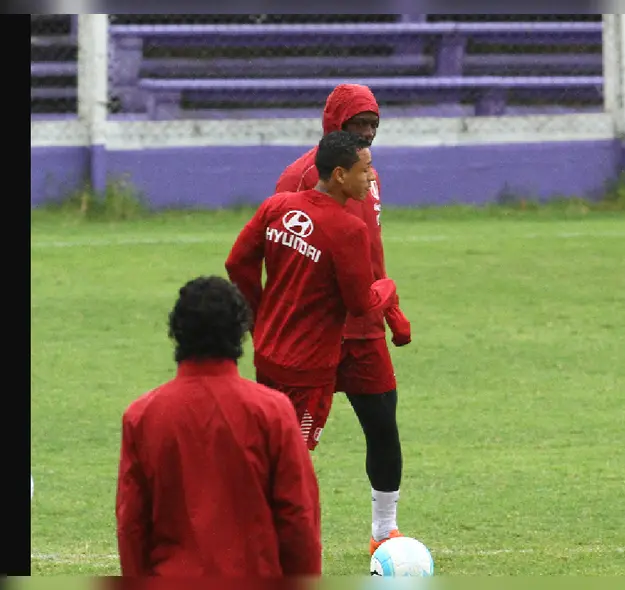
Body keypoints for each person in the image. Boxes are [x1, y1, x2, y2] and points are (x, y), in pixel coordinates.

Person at [275, 84, 411, 556]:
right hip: (316, 334)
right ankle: (273, 529)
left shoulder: (367, 174)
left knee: (383, 425)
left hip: (365, 328)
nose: (368, 136)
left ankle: (384, 530)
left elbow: (372, 253)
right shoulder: (295, 179)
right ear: (334, 124)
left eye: (374, 126)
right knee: (293, 440)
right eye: (359, 126)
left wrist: (390, 310)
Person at [115, 276, 323, 576]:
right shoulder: (273, 412)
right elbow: (298, 517)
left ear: (177, 332)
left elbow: (132, 524)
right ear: (240, 331)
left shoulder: (142, 416)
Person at [226, 130, 397, 463]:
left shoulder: (276, 207)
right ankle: (266, 513)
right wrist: (387, 290)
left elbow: (237, 262)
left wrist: (260, 317)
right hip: (310, 368)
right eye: (364, 170)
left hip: (268, 354)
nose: (370, 178)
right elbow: (360, 304)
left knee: (269, 445)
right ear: (339, 174)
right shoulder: (348, 230)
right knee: (291, 460)